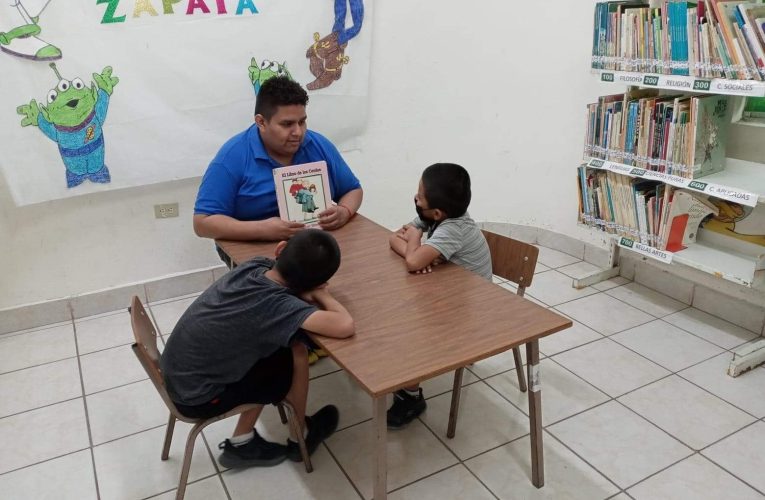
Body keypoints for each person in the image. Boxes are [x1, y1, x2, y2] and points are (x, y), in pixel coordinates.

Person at [159, 230, 355, 468]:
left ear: (280, 249)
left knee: (281, 346)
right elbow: (344, 325)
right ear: (319, 282)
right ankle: (298, 435)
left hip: (177, 374)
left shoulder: (254, 266)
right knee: (295, 353)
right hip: (199, 396)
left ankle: (247, 438)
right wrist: (322, 293)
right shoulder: (279, 306)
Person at [193, 75, 363, 250]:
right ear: (261, 122)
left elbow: (353, 189)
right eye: (287, 124)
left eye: (302, 121)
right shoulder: (232, 156)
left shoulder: (318, 144)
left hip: (313, 244)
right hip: (252, 247)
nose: (298, 132)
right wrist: (261, 229)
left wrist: (344, 211)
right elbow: (202, 223)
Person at [386, 163, 491, 429]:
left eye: (419, 195)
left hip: (476, 308)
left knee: (412, 330)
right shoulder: (434, 215)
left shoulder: (454, 228)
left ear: (436, 211)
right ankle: (403, 379)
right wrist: (417, 252)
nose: (415, 198)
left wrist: (416, 249)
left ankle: (411, 396)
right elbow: (393, 238)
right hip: (450, 292)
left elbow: (411, 260)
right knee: (399, 312)